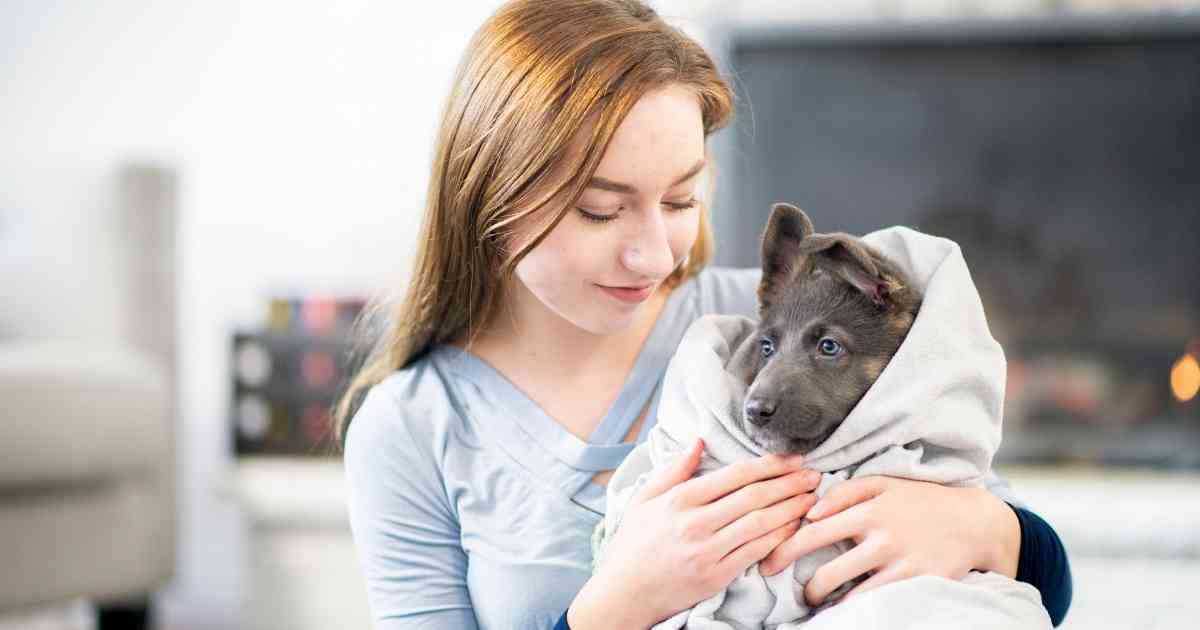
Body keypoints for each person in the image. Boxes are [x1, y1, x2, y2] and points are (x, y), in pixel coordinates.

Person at [333, 1, 1072, 629]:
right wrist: (612, 609)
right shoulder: (410, 430)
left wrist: (989, 530)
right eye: (600, 210)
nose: (655, 254)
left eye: (681, 200)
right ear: (491, 196)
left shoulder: (784, 326)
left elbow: (1032, 575)